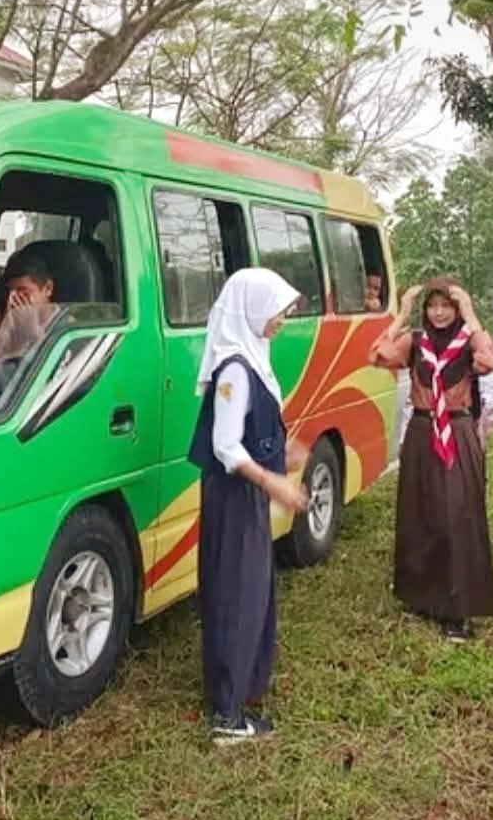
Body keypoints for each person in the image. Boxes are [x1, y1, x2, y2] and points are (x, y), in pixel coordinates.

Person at [186, 267, 310, 746]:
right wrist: (274, 482)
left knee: (249, 587)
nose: (283, 319)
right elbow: (226, 446)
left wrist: (285, 449)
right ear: (252, 307)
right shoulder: (235, 368)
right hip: (235, 493)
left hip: (245, 493)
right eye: (278, 309)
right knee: (237, 592)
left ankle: (236, 692)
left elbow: (255, 429)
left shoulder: (253, 357)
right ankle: (228, 715)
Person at [368, 276, 493, 642]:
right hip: (421, 432)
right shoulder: (417, 342)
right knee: (420, 512)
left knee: (456, 516)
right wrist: (403, 312)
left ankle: (458, 610)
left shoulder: (466, 343)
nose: (440, 313)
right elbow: (375, 354)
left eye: (447, 305)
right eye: (433, 305)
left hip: (457, 432)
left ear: (458, 308)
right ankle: (423, 596)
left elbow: (490, 360)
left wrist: (472, 314)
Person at [0, 251, 62, 415]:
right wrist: (6, 331)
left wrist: (33, 335)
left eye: (23, 292)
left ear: (47, 289)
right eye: (11, 292)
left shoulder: (66, 327)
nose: (14, 299)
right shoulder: (3, 320)